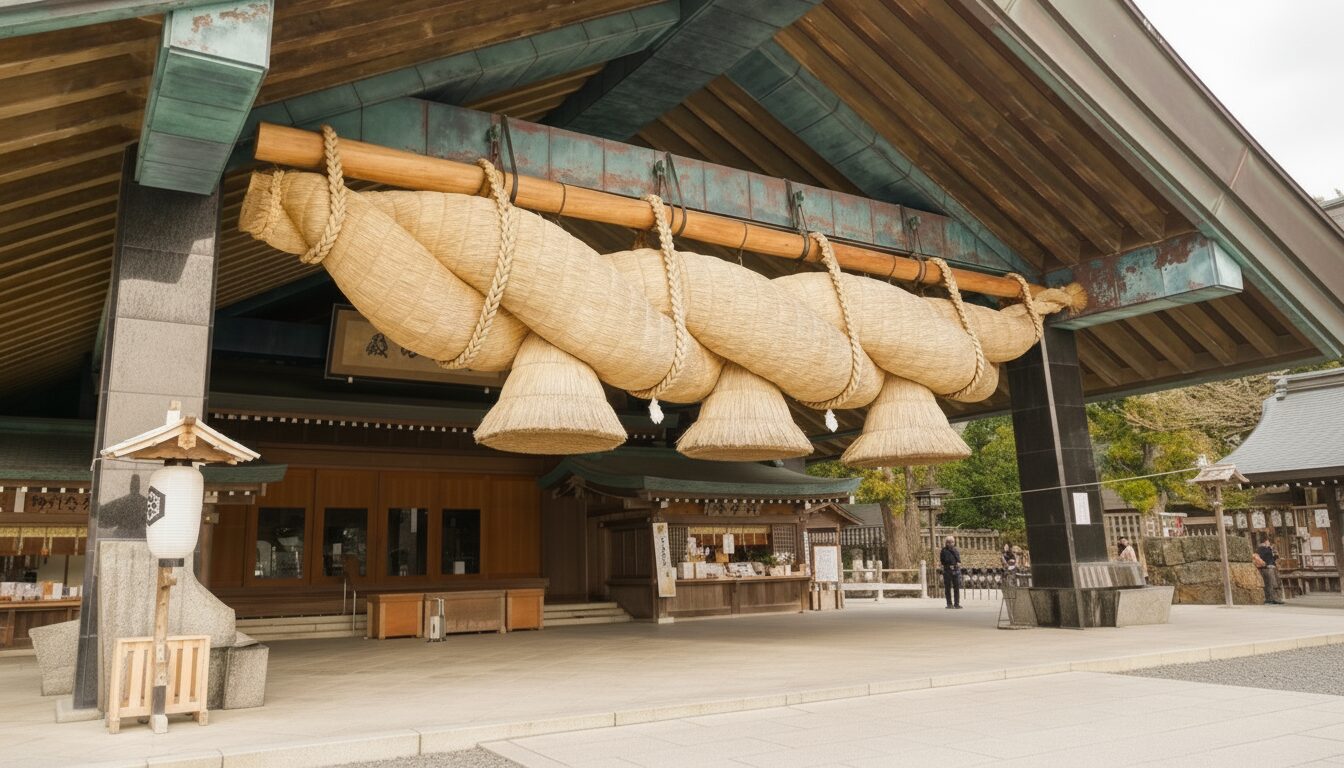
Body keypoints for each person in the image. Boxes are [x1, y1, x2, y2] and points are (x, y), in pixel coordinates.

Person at [1255, 534, 1284, 604]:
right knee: (1272, 583)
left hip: (1269, 567)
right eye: (1268, 542)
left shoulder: (1266, 549)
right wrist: (1270, 550)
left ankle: (1272, 598)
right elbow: (1264, 557)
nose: (1269, 543)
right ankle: (1273, 598)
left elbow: (1270, 558)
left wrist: (1275, 556)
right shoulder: (1262, 549)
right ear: (1265, 541)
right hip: (1267, 568)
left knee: (1271, 583)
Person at [940, 535, 962, 609]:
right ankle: (949, 603)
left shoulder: (956, 550)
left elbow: (959, 560)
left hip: (955, 570)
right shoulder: (943, 551)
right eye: (949, 542)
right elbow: (942, 561)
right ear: (946, 543)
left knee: (956, 587)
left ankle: (957, 603)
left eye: (952, 542)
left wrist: (958, 563)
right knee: (948, 587)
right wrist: (948, 565)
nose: (951, 543)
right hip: (947, 570)